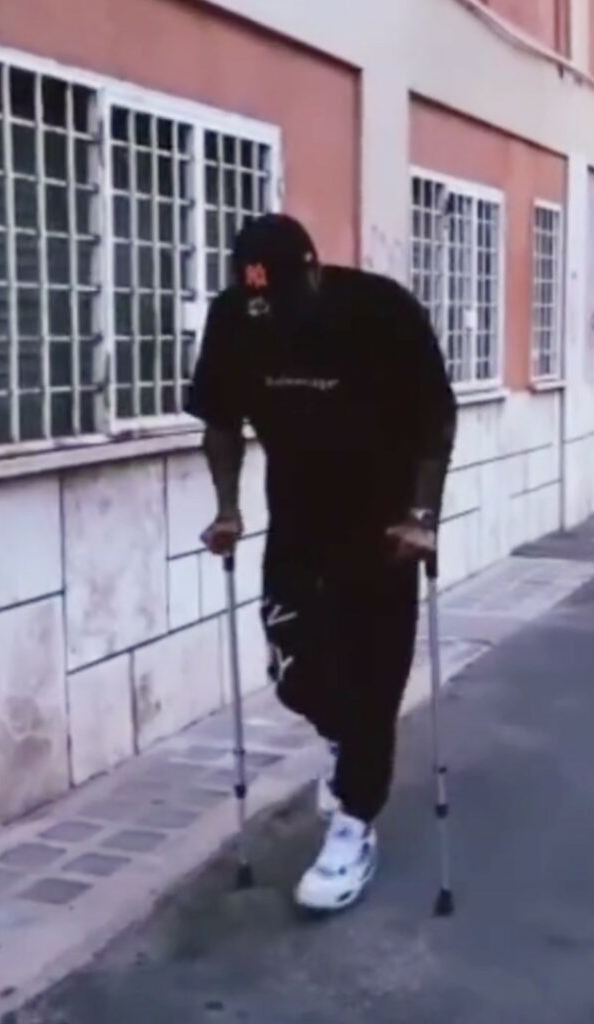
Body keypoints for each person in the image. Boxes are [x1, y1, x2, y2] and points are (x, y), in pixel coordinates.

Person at [186, 213, 457, 912]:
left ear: (312, 272)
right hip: (298, 519)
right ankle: (345, 740)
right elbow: (221, 419)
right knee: (294, 670)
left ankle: (353, 825)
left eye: (280, 299)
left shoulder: (380, 311)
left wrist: (423, 516)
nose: (270, 316)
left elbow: (436, 417)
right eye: (258, 302)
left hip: (383, 525)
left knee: (373, 679)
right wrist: (227, 508)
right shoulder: (236, 317)